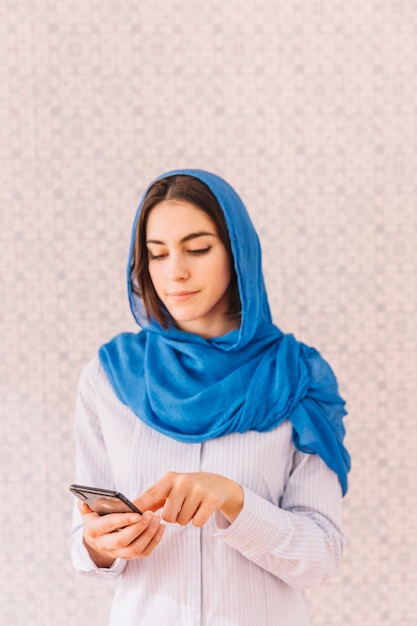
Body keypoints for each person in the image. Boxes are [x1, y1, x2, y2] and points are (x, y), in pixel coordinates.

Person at [70, 169, 350, 626]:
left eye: (197, 249)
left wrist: (233, 500)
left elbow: (321, 556)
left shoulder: (296, 377)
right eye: (156, 254)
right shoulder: (109, 376)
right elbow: (83, 542)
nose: (174, 272)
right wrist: (99, 544)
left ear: (237, 253)